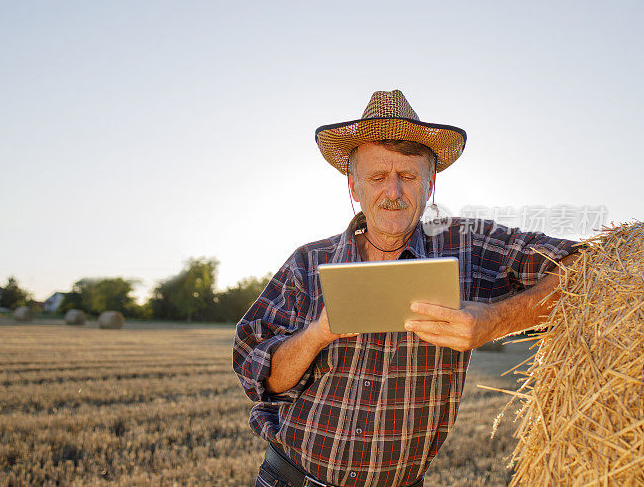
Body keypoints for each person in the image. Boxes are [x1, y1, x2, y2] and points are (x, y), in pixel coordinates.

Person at [232, 90, 579, 487]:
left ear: (430, 184)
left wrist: (493, 322)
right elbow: (265, 380)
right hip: (289, 479)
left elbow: (582, 267)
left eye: (409, 177)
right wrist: (317, 334)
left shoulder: (469, 244)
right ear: (353, 185)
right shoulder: (307, 263)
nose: (393, 193)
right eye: (377, 177)